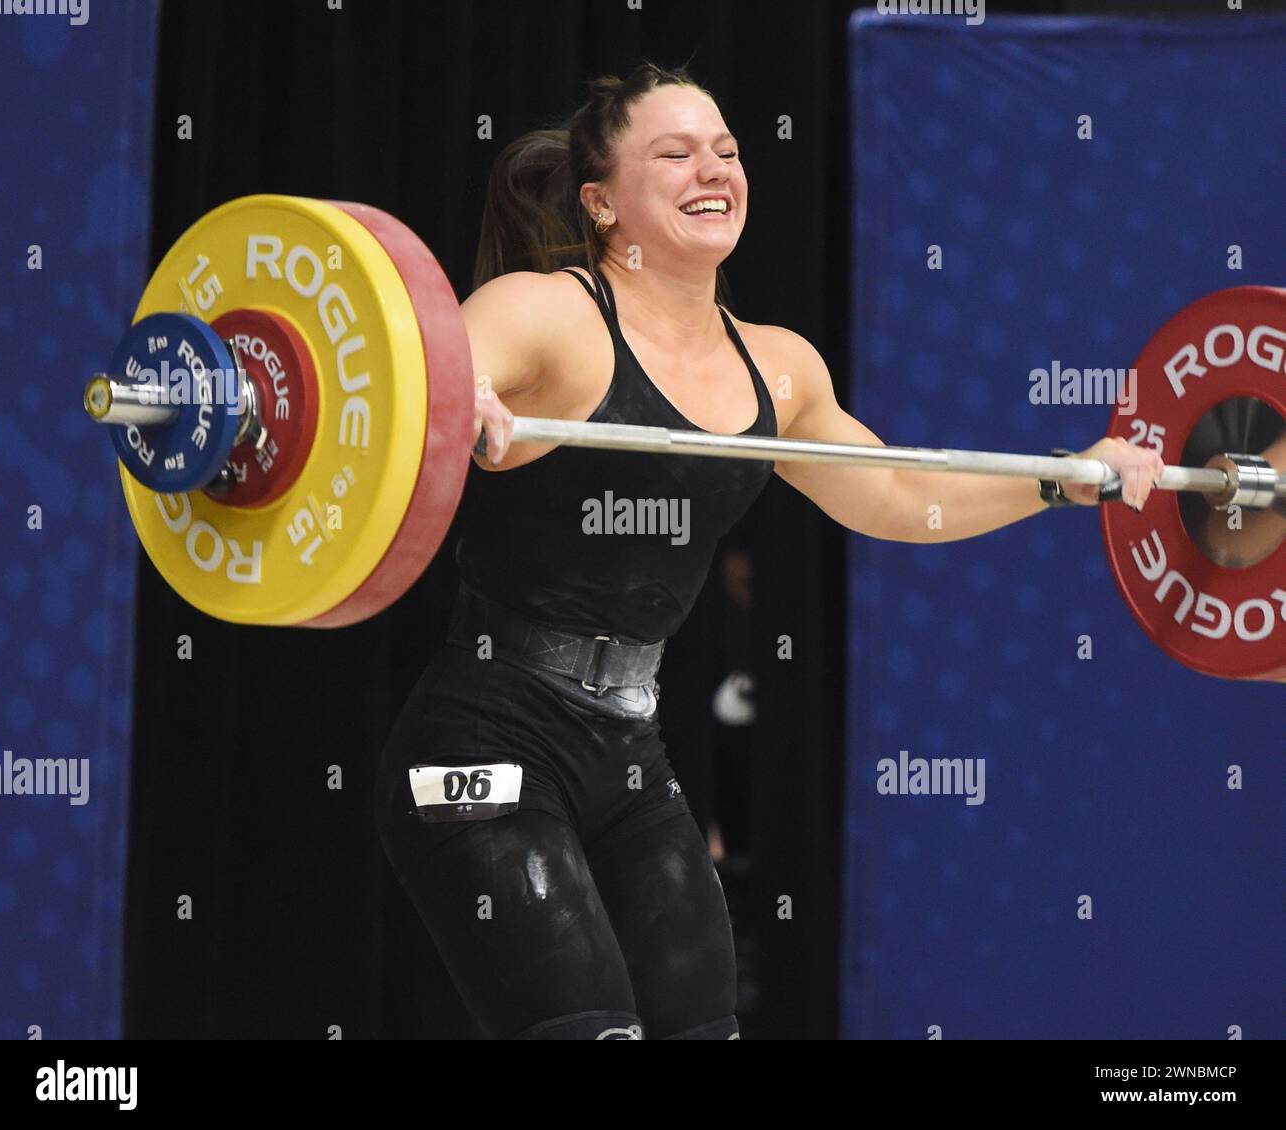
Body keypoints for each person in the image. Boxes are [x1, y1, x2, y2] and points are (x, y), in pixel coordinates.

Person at [373, 61, 1164, 1041]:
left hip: (626, 750)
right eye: (674, 152)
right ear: (602, 201)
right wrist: (462, 404)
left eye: (727, 150)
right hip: (478, 750)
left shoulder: (777, 367)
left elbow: (900, 494)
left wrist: (1062, 475)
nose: (713, 168)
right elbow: (419, 383)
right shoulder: (544, 312)